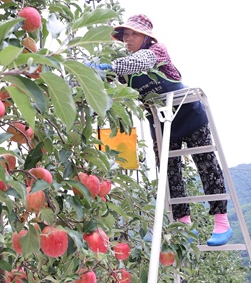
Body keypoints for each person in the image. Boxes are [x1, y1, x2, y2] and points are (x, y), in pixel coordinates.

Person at [93, 14, 232, 246]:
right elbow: (110, 84)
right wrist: (92, 75)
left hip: (188, 113)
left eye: (133, 34)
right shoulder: (123, 69)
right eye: (125, 35)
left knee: (206, 163)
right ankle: (183, 222)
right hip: (160, 120)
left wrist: (111, 66)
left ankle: (221, 221)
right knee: (168, 171)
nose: (127, 39)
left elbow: (141, 62)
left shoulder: (156, 51)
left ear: (146, 37)